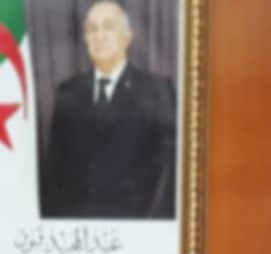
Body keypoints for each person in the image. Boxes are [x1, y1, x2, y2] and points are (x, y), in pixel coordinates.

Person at [42, 2, 176, 219]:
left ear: (127, 36)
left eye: (108, 27)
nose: (99, 36)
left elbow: (168, 177)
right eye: (92, 29)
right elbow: (54, 173)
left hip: (138, 224)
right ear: (85, 39)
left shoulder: (157, 91)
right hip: (77, 227)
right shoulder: (67, 93)